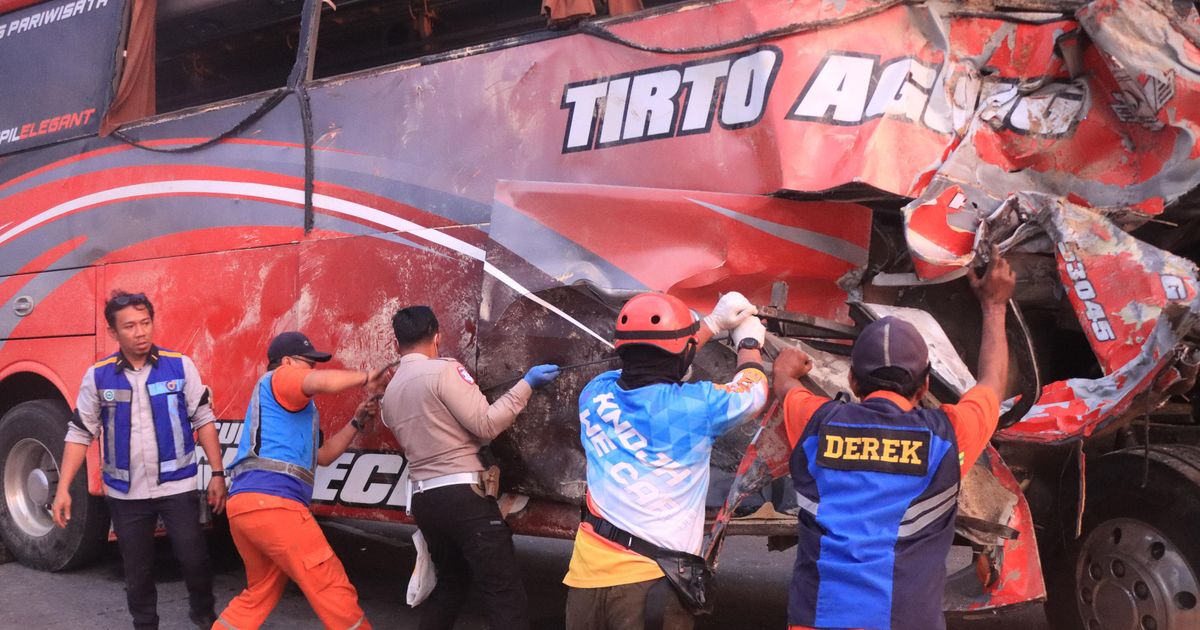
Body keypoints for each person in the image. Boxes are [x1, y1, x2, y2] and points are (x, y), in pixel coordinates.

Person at [773, 250, 1016, 630]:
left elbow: (785, 387)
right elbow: (991, 384)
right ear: (925, 386)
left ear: (853, 381)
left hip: (817, 619)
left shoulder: (816, 423)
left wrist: (786, 369)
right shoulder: (947, 438)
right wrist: (995, 306)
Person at [564, 291, 769, 630]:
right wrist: (748, 340)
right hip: (652, 588)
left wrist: (711, 324)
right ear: (686, 351)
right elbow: (753, 388)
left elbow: (656, 359)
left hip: (584, 581)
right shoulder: (698, 407)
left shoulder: (595, 394)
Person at [51, 290, 225, 630]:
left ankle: (204, 614)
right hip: (126, 493)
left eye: (146, 323)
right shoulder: (98, 376)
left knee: (194, 559)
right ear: (114, 333)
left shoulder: (180, 365)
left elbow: (203, 419)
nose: (141, 332)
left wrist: (217, 473)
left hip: (178, 485)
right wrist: (63, 489)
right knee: (137, 570)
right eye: (130, 326)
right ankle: (145, 625)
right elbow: (80, 433)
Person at [379, 305, 560, 630]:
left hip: (425, 501)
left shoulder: (390, 394)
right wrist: (527, 385)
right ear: (437, 336)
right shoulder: (445, 371)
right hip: (463, 498)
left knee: (451, 584)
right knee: (503, 591)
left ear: (397, 344)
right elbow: (486, 425)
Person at [214, 331, 389, 630]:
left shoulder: (293, 409)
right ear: (286, 362)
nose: (313, 371)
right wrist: (365, 377)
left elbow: (323, 456)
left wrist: (357, 421)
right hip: (276, 506)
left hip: (247, 506)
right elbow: (315, 383)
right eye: (308, 364)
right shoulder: (280, 379)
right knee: (331, 586)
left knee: (258, 593)